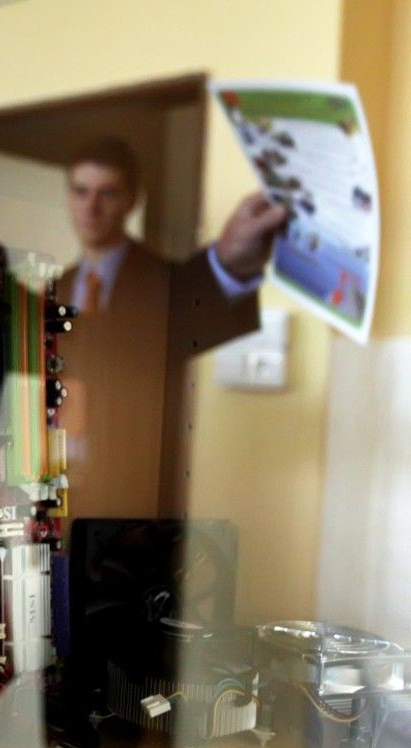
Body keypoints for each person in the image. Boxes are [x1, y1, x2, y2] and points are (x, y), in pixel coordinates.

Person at [55, 136, 288, 519]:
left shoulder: (161, 283)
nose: (90, 208)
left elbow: (193, 311)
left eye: (107, 193)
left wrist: (230, 263)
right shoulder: (57, 289)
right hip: (60, 489)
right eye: (80, 191)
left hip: (135, 496)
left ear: (132, 200)